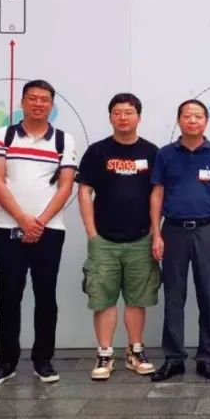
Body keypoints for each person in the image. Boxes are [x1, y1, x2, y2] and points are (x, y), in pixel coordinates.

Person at [0, 79, 78, 387]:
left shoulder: (63, 140)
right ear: (22, 102)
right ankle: (6, 362)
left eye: (44, 99)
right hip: (8, 228)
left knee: (46, 296)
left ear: (52, 104)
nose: (38, 104)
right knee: (9, 296)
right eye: (32, 98)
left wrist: (40, 222)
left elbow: (65, 186)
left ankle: (43, 360)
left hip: (50, 230)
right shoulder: (3, 136)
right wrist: (24, 220)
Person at [77, 93, 161, 380]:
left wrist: (155, 232)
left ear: (139, 116)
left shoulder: (151, 152)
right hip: (104, 240)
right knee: (103, 299)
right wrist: (92, 233)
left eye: (128, 112)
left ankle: (135, 351)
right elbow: (84, 191)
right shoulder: (98, 151)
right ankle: (104, 353)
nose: (123, 117)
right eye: (117, 112)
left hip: (141, 238)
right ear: (110, 117)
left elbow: (157, 194)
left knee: (137, 299)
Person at [150, 99, 210, 381]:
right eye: (187, 116)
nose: (192, 121)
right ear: (178, 120)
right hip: (173, 230)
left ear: (206, 121)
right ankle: (173, 358)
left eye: (198, 116)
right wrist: (156, 233)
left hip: (208, 230)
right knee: (174, 296)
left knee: (209, 296)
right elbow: (157, 193)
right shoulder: (165, 154)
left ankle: (207, 358)